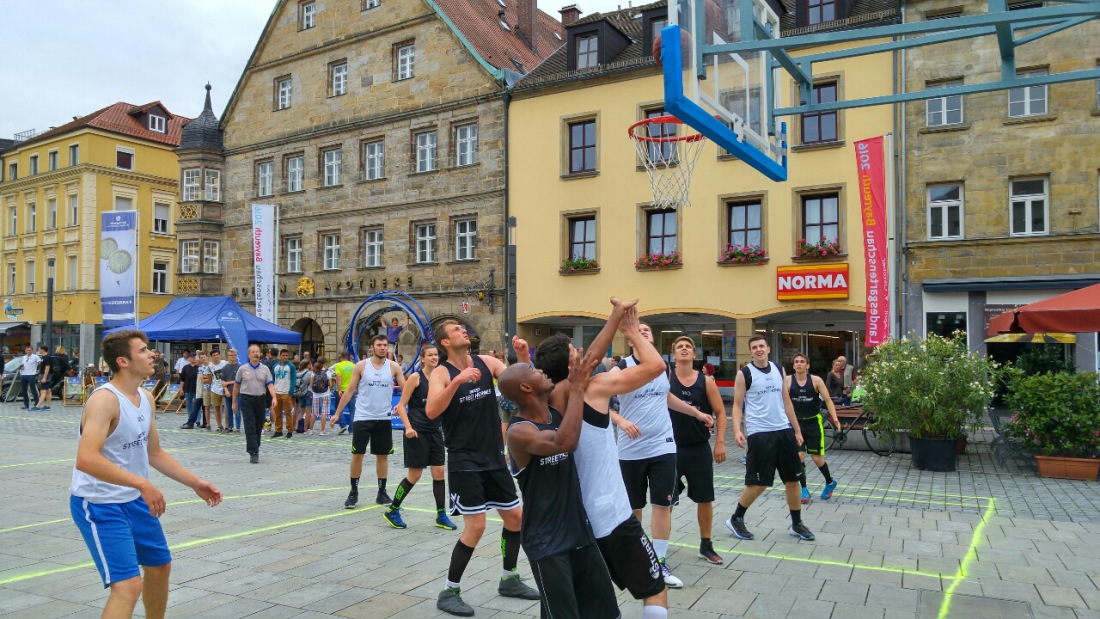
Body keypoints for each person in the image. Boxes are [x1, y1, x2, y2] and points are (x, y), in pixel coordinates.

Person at [70, 329, 221, 618]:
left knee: (160, 566)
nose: (152, 354)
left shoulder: (145, 397)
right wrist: (142, 483)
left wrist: (195, 482)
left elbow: (154, 453)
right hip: (100, 503)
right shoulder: (104, 400)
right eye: (142, 350)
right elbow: (86, 459)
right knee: (127, 586)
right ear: (123, 361)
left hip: (133, 501)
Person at [537, 298, 670, 618]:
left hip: (572, 524)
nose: (583, 353)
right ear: (573, 359)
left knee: (580, 604)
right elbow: (655, 366)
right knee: (655, 590)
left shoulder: (544, 400)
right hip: (611, 515)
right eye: (576, 350)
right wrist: (632, 331)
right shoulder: (594, 389)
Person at [426, 321, 540, 616]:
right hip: (464, 460)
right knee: (475, 526)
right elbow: (431, 411)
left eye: (462, 328)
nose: (462, 330)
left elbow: (524, 386)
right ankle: (449, 589)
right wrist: (457, 381)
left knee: (515, 517)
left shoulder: (487, 362)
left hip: (493, 456)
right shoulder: (441, 373)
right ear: (445, 343)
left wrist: (524, 357)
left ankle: (509, 578)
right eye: (455, 330)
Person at [502, 347, 620, 619]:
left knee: (606, 612)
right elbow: (566, 442)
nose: (540, 370)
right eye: (532, 370)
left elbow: (588, 363)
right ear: (525, 387)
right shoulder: (519, 433)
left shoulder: (554, 409)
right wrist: (577, 390)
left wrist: (616, 317)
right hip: (547, 542)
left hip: (579, 532)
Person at [611, 323, 713, 589]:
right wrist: (620, 420)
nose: (644, 332)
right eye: (638, 330)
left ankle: (659, 562)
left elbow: (666, 397)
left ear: (652, 338)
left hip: (663, 445)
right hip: (631, 449)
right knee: (634, 508)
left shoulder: (661, 365)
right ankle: (634, 560)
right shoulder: (620, 368)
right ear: (630, 340)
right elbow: (597, 399)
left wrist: (696, 412)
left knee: (662, 504)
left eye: (647, 330)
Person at [724, 335, 814, 542]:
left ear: (767, 349)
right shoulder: (744, 374)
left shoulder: (778, 369)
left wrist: (797, 430)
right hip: (760, 433)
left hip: (783, 430)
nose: (758, 349)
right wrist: (737, 430)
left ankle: (797, 523)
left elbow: (787, 402)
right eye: (754, 347)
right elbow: (737, 405)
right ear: (751, 351)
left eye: (761, 346)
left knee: (793, 479)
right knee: (759, 483)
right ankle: (736, 518)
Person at [667, 336, 728, 565]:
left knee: (704, 498)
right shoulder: (666, 379)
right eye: (679, 347)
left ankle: (706, 544)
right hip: (670, 449)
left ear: (694, 355)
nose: (683, 349)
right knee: (667, 500)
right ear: (673, 355)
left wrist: (720, 442)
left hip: (698, 448)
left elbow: (721, 413)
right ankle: (661, 546)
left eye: (688, 347)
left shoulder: (706, 382)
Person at [386, 344, 458, 530]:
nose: (434, 357)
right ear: (422, 358)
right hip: (417, 431)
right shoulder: (416, 378)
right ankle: (393, 509)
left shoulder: (442, 378)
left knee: (439, 472)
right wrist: (408, 428)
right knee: (415, 474)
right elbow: (401, 406)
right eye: (430, 355)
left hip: (435, 431)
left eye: (436, 355)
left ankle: (441, 515)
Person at [332, 335, 406, 508]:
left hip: (383, 418)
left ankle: (382, 492)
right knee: (358, 455)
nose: (382, 348)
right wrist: (337, 413)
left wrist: (404, 404)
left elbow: (406, 388)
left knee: (383, 456)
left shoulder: (394, 367)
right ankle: (353, 491)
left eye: (385, 345)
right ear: (372, 347)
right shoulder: (361, 366)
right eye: (379, 345)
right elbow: (349, 390)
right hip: (363, 417)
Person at [786, 354, 841, 503]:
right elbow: (782, 402)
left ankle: (830, 482)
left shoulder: (816, 381)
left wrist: (835, 419)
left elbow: (828, 400)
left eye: (802, 362)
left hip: (813, 423)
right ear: (793, 366)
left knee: (816, 458)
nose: (799, 364)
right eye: (796, 362)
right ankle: (804, 489)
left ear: (807, 365)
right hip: (796, 425)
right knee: (799, 457)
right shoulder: (788, 381)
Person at [235, 344, 278, 463]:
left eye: (257, 352)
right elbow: (236, 386)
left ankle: (255, 446)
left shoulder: (265, 369)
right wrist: (234, 402)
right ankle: (253, 452)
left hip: (260, 399)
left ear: (260, 354)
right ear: (248, 355)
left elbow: (270, 384)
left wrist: (274, 397)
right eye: (253, 352)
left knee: (259, 426)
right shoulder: (242, 369)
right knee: (250, 426)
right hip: (246, 399)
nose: (255, 354)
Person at [271, 349, 297, 438]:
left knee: (288, 412)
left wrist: (290, 391)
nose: (285, 357)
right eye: (283, 355)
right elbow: (273, 379)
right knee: (277, 413)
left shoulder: (291, 366)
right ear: (280, 356)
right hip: (277, 391)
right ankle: (278, 430)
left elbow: (293, 379)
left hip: (286, 392)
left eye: (287, 355)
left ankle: (290, 430)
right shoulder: (275, 366)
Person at [330, 352, 356, 434]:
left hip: (342, 390)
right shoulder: (353, 365)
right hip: (352, 389)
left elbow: (338, 378)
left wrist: (339, 389)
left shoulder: (338, 365)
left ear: (341, 358)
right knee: (352, 410)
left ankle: (343, 425)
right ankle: (352, 429)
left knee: (338, 407)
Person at [307, 360, 332, 435]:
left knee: (314, 413)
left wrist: (314, 390)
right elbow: (330, 384)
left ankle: (310, 430)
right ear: (324, 364)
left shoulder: (313, 373)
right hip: (325, 394)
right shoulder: (327, 372)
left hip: (315, 395)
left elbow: (311, 385)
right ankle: (322, 431)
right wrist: (329, 391)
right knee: (324, 413)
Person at [222, 349, 242, 434]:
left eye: (234, 355)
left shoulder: (239, 367)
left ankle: (237, 427)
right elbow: (223, 381)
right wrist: (226, 390)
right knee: (229, 410)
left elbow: (239, 380)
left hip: (237, 392)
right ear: (228, 356)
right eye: (230, 355)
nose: (232, 357)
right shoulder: (225, 368)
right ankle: (230, 426)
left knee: (237, 409)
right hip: (228, 392)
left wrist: (228, 383)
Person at [179, 353, 202, 429]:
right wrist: (181, 389)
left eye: (195, 357)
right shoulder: (185, 368)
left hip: (196, 390)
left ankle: (198, 420)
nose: (193, 359)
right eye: (192, 357)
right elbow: (182, 380)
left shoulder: (199, 368)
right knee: (189, 406)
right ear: (189, 359)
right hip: (187, 389)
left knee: (197, 406)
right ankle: (190, 419)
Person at [208, 350, 228, 432]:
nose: (216, 356)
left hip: (224, 388)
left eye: (217, 355)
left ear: (219, 355)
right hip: (215, 389)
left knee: (226, 408)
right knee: (216, 408)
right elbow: (210, 378)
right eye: (214, 355)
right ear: (211, 357)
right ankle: (219, 425)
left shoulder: (225, 363)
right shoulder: (210, 366)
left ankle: (227, 426)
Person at [19, 345, 41, 410]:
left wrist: (38, 370)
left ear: (32, 350)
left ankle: (37, 403)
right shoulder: (23, 357)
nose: (28, 351)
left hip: (31, 374)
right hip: (24, 374)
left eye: (30, 350)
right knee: (24, 390)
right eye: (27, 350)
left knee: (33, 389)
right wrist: (21, 367)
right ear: (25, 351)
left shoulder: (35, 357)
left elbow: (40, 363)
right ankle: (26, 404)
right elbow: (22, 364)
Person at [296, 360, 314, 433]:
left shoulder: (298, 373)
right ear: (308, 365)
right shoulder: (309, 373)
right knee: (308, 412)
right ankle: (305, 428)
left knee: (301, 411)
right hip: (308, 392)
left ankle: (297, 426)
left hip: (300, 393)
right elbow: (311, 383)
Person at [35, 345, 54, 410]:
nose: (39, 350)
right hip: (43, 374)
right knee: (48, 390)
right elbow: (43, 367)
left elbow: (47, 368)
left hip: (45, 375)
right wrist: (38, 371)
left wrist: (44, 377)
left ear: (43, 350)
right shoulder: (43, 357)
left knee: (43, 391)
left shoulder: (47, 357)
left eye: (39, 349)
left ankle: (38, 406)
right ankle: (47, 405)